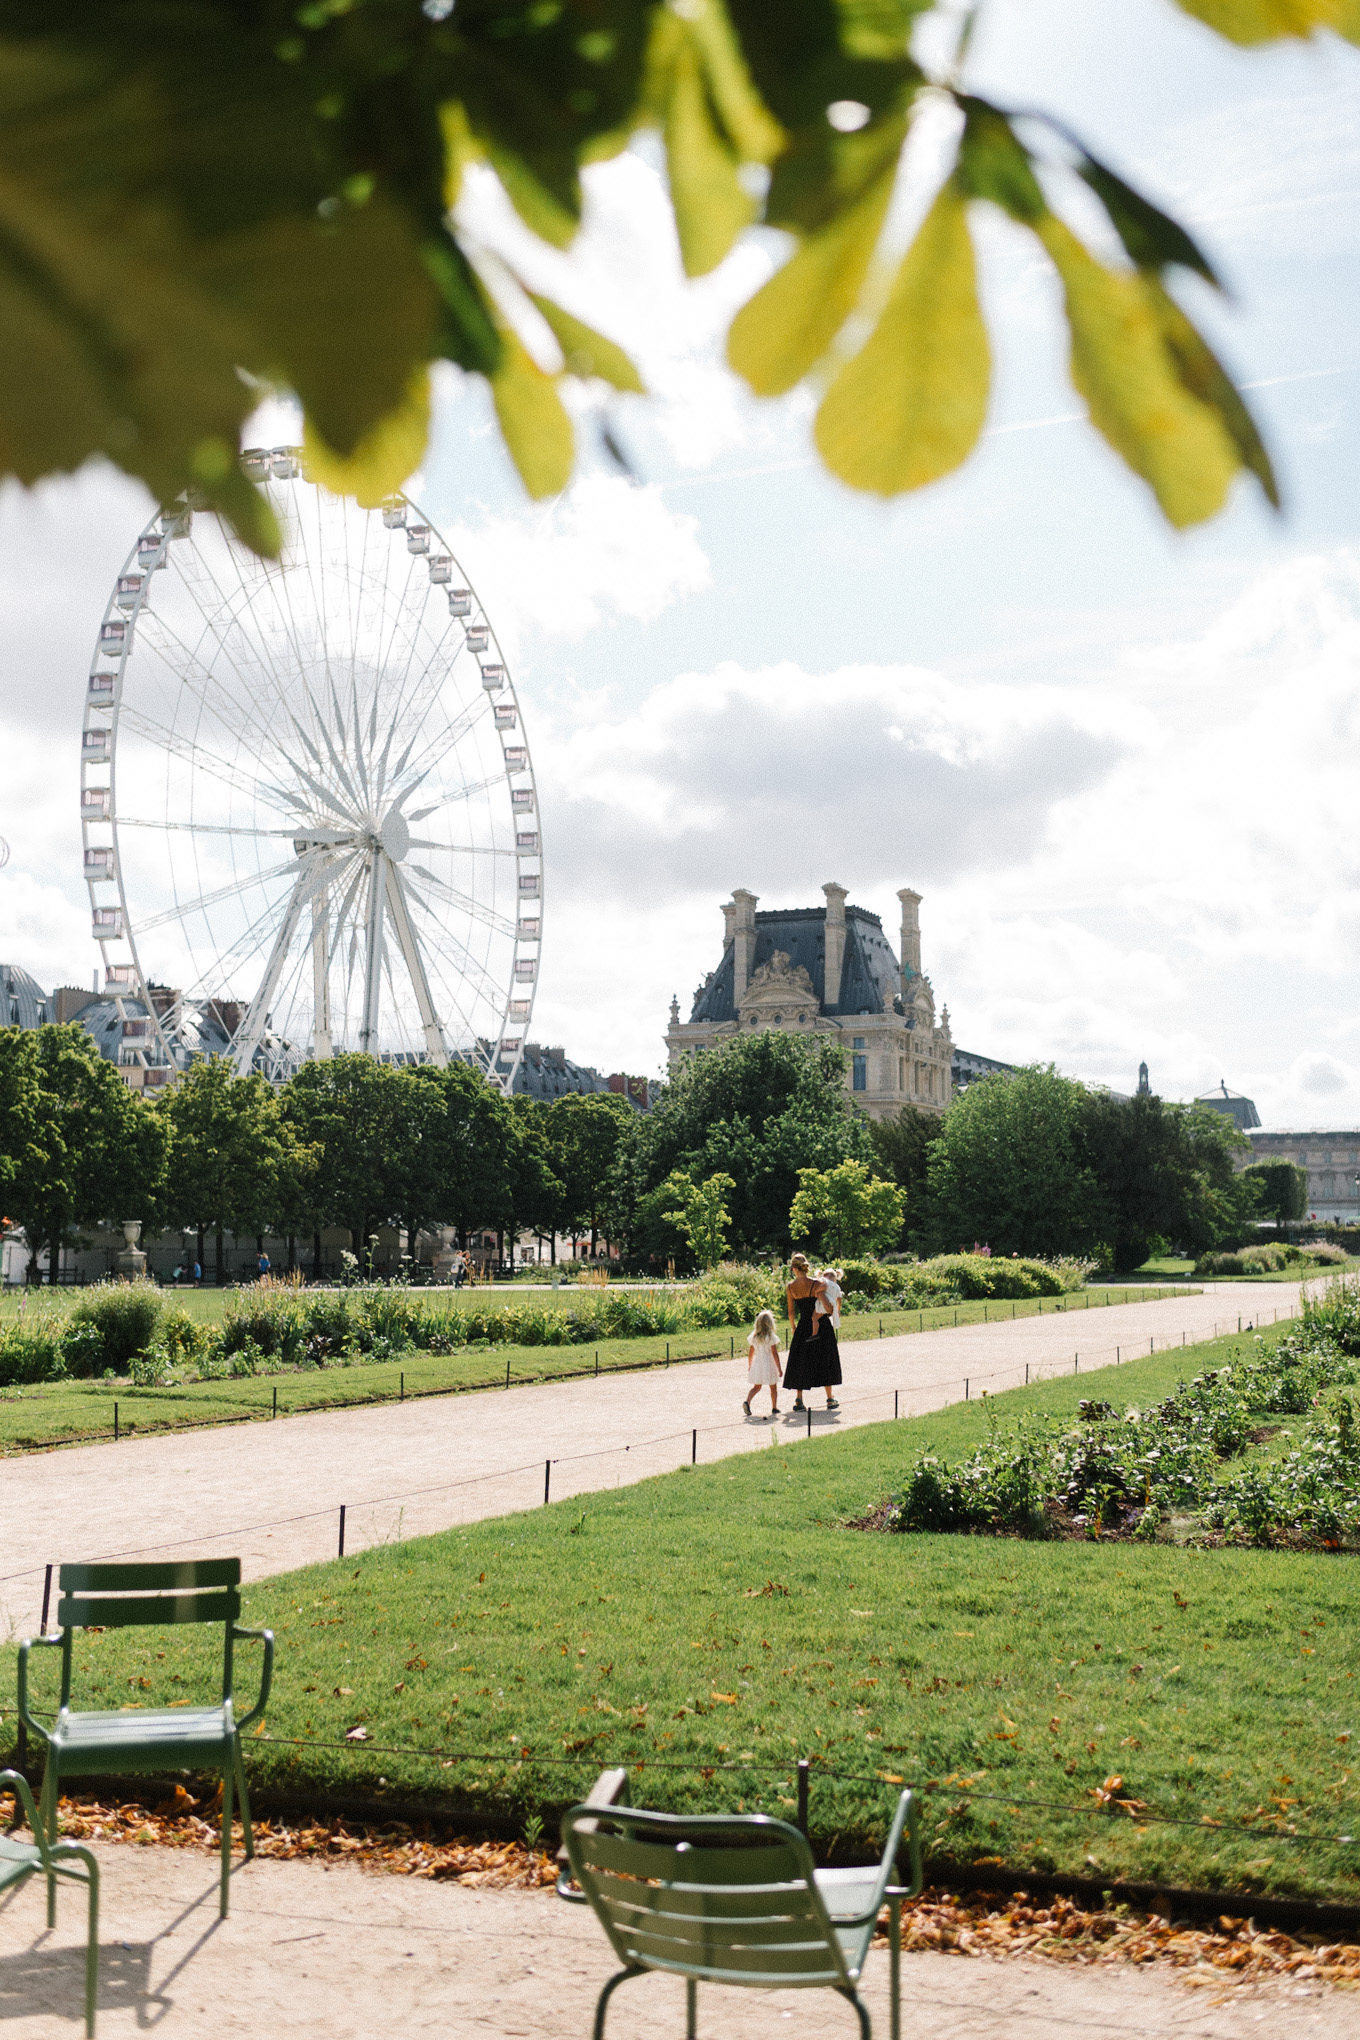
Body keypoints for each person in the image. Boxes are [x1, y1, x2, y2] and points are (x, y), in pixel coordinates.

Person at [782, 1252, 840, 1413]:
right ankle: (829, 1398)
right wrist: (828, 1312)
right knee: (825, 1360)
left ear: (794, 1268)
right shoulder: (816, 1284)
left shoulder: (790, 1287)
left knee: (800, 1362)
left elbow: (791, 1312)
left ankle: (799, 1399)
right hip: (821, 1325)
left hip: (803, 1326)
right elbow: (828, 1306)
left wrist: (793, 1327)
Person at [743, 1308, 783, 1419]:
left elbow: (751, 1352)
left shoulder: (754, 1337)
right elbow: (774, 1353)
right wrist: (779, 1368)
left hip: (758, 1362)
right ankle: (774, 1407)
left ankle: (747, 1401)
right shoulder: (770, 1337)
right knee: (773, 1386)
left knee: (756, 1386)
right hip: (768, 1362)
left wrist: (750, 1364)